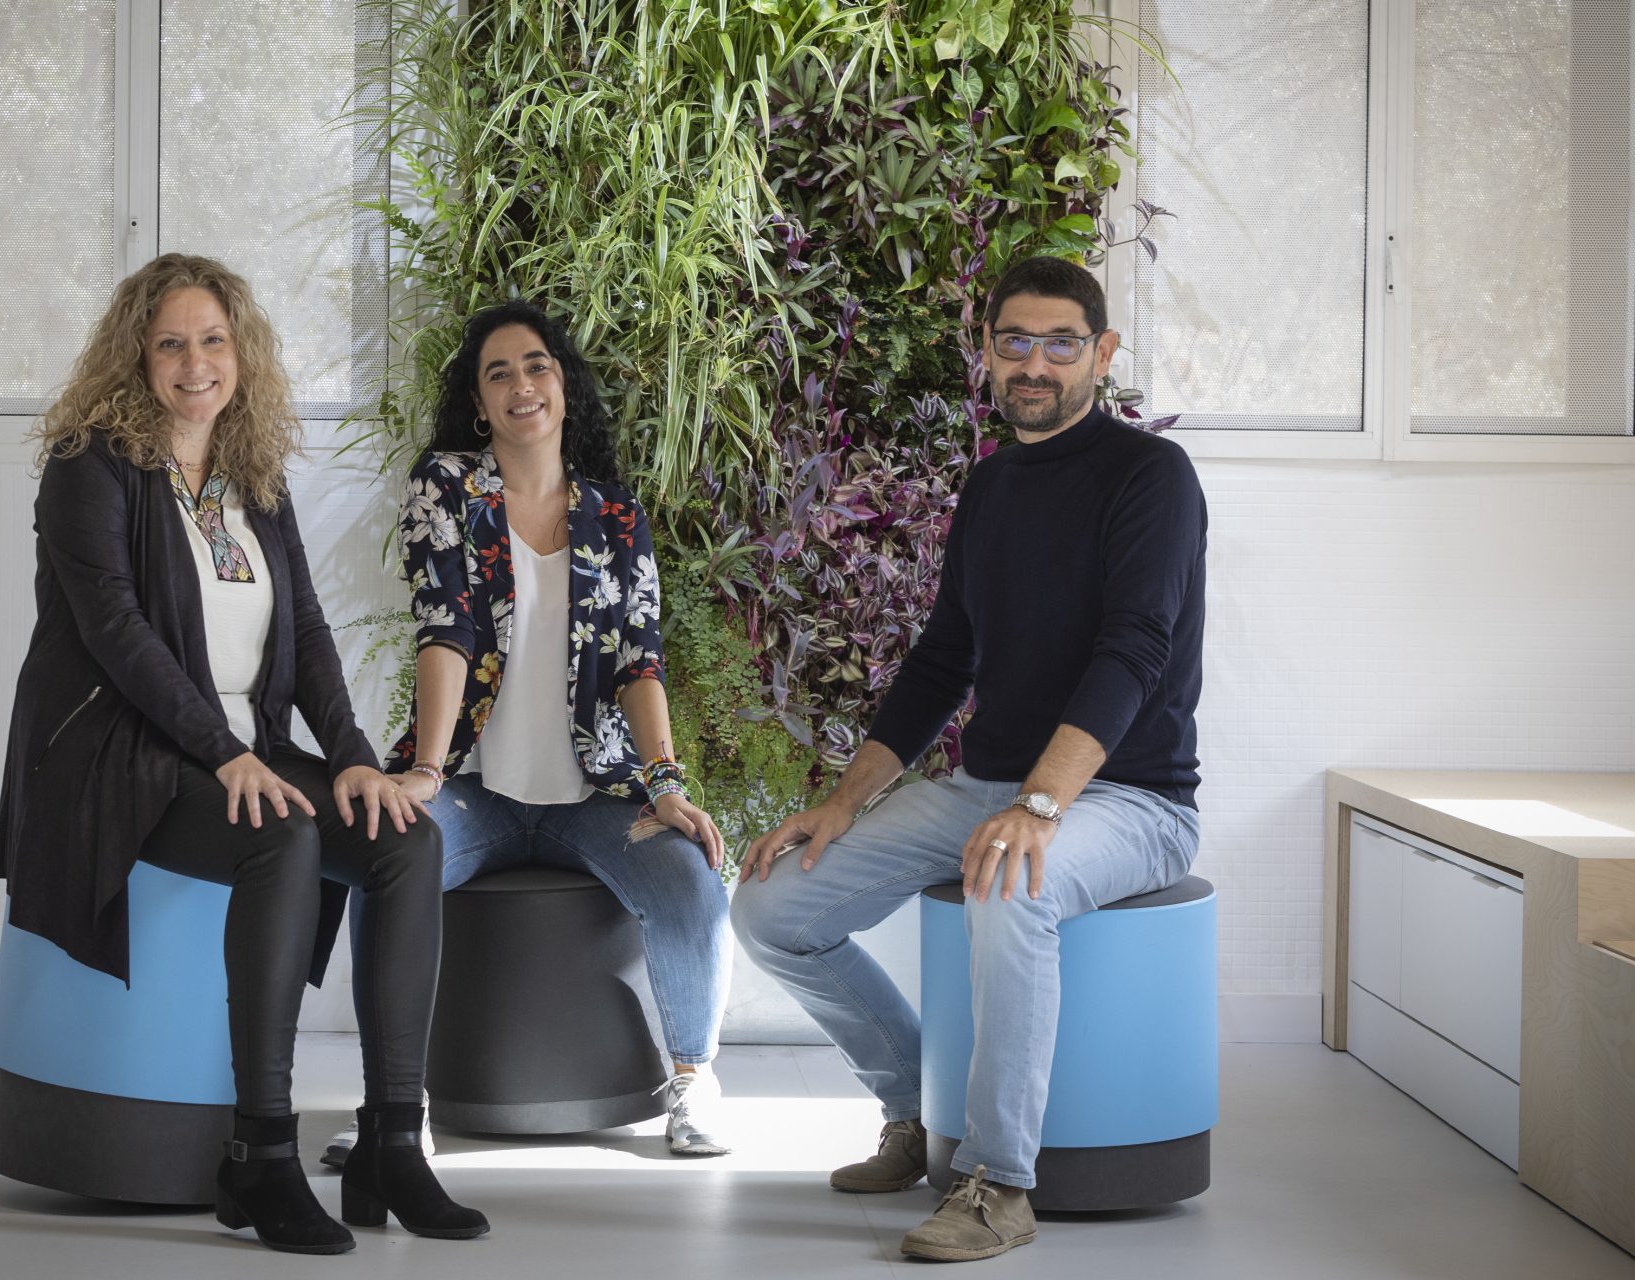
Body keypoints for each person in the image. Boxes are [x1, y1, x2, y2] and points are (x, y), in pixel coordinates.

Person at [0, 253, 485, 1254]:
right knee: (282, 841)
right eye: (171, 341)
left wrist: (348, 753)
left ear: (241, 352)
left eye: (213, 339)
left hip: (234, 746)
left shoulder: (252, 474)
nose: (194, 361)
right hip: (114, 751)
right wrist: (224, 754)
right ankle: (260, 1153)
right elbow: (119, 637)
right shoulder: (89, 467)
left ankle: (395, 1135)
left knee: (405, 842)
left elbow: (301, 630)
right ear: (137, 354)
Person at [732, 255, 1207, 1263]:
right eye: (1014, 341)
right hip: (992, 784)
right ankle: (913, 1103)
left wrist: (1041, 803)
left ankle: (999, 1180)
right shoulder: (989, 485)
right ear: (986, 352)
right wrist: (845, 804)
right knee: (773, 905)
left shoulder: (1150, 477)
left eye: (1060, 343)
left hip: (1131, 797)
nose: (1035, 363)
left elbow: (1137, 647)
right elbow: (945, 656)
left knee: (1009, 881)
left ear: (1102, 353)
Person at [319, 300, 735, 1163]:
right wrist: (427, 772)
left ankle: (693, 1080)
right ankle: (393, 1105)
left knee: (690, 876)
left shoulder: (617, 519)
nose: (521, 384)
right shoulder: (447, 489)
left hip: (595, 794)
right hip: (473, 789)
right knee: (387, 857)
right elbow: (447, 631)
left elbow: (639, 664)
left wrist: (667, 783)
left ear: (564, 386)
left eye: (536, 365)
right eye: (498, 372)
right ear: (478, 403)